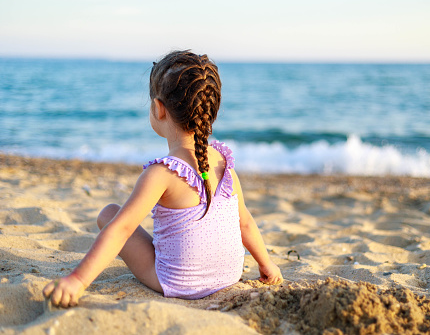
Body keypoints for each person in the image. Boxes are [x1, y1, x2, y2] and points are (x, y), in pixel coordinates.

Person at [43, 50, 283, 307]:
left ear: (158, 109)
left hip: (178, 283)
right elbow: (244, 222)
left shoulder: (162, 173)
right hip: (229, 275)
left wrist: (78, 280)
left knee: (110, 214)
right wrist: (266, 263)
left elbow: (121, 229)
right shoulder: (223, 162)